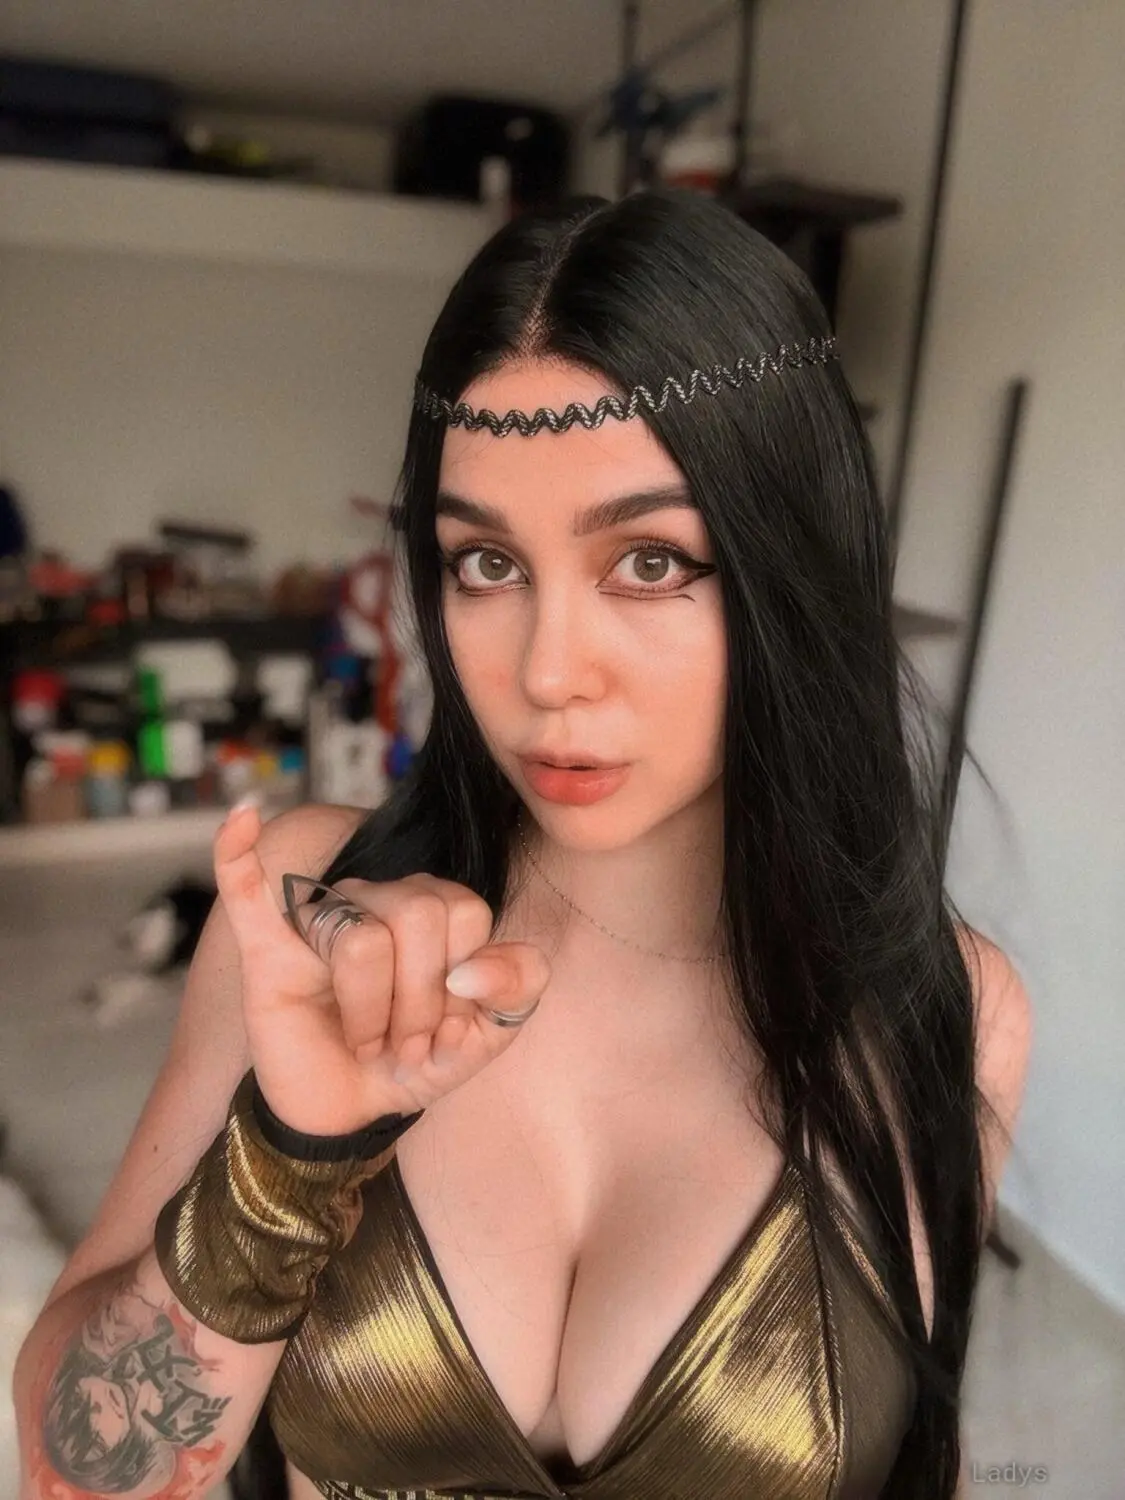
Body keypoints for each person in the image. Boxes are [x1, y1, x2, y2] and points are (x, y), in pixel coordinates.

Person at [15, 187, 1031, 1500]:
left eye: (650, 562)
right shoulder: (311, 912)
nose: (549, 672)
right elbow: (76, 1477)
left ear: (792, 564)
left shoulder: (945, 1009)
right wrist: (285, 1157)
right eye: (487, 565)